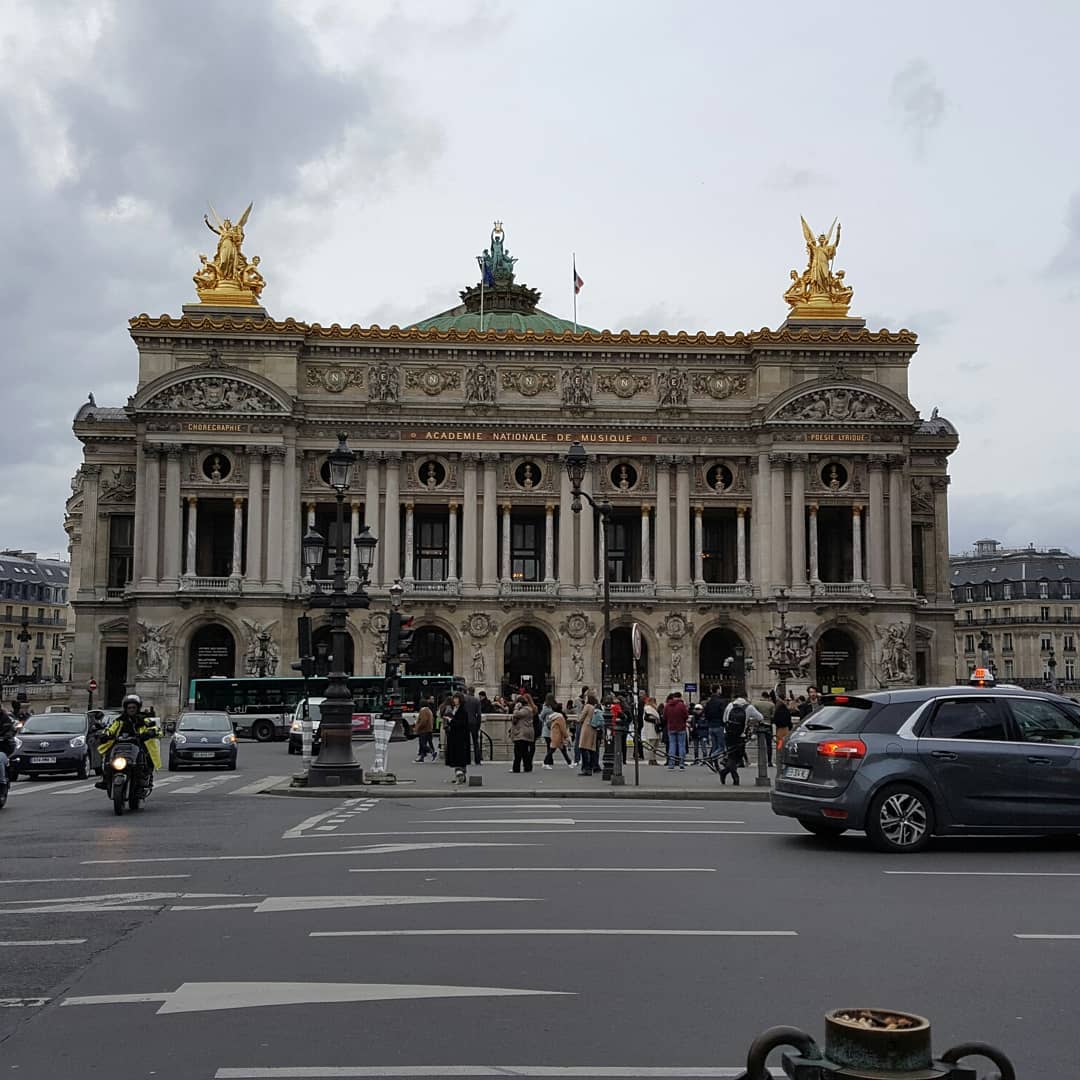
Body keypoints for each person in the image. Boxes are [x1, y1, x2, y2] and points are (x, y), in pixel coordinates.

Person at [94, 694, 161, 789]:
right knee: (108, 757)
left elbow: (156, 729)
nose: (131, 710)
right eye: (129, 708)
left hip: (138, 744)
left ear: (138, 708)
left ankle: (147, 778)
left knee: (147, 756)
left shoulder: (144, 719)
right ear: (126, 709)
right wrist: (105, 735)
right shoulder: (119, 720)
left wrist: (151, 732)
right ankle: (106, 779)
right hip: (120, 745)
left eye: (134, 707)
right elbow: (110, 729)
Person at [718, 694, 762, 786]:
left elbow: (724, 719)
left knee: (731, 756)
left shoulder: (730, 705)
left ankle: (726, 772)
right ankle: (734, 777)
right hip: (740, 735)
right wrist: (749, 721)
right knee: (737, 757)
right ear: (746, 698)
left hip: (728, 734)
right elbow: (760, 717)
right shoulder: (749, 707)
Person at [444, 692, 471, 784]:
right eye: (454, 698)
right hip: (455, 736)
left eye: (456, 698)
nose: (454, 700)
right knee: (457, 757)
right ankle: (460, 775)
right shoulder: (455, 709)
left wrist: (451, 720)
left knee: (459, 757)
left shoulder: (463, 710)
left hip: (460, 737)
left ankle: (460, 776)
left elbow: (462, 723)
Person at [510, 696, 536, 773]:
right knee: (524, 752)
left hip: (522, 734)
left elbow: (516, 714)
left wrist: (516, 708)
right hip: (526, 733)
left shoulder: (525, 710)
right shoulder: (529, 709)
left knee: (518, 752)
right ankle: (527, 767)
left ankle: (516, 768)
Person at [577, 693, 601, 776]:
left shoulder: (587, 706)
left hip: (586, 729)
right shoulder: (594, 707)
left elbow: (581, 718)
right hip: (593, 729)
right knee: (591, 749)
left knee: (583, 748)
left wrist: (579, 718)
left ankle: (586, 768)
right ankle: (592, 767)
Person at [664, 691, 689, 770]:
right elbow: (686, 716)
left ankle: (671, 764)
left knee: (672, 745)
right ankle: (681, 763)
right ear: (680, 697)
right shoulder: (682, 705)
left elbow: (664, 717)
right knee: (681, 745)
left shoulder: (667, 705)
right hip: (681, 727)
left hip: (671, 727)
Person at [703, 685, 728, 764]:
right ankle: (711, 757)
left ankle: (714, 763)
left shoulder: (708, 702)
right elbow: (723, 714)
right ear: (717, 690)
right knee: (722, 747)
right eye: (720, 689)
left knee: (715, 746)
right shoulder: (721, 702)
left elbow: (706, 714)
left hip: (711, 726)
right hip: (719, 725)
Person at [544, 702, 572, 768]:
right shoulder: (560, 718)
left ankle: (569, 763)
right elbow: (563, 728)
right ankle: (545, 762)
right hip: (558, 736)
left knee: (562, 750)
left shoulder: (554, 717)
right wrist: (567, 736)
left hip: (554, 735)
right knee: (553, 750)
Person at [464, 686, 483, 765]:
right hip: (473, 722)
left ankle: (466, 759)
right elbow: (479, 714)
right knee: (476, 742)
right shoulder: (477, 700)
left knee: (465, 742)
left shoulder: (464, 700)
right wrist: (478, 725)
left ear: (468, 691)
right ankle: (477, 760)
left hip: (464, 722)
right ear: (474, 691)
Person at [413, 698, 436, 763]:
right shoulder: (429, 710)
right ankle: (422, 757)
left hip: (423, 730)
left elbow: (423, 721)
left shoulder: (423, 711)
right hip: (428, 729)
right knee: (423, 744)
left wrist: (417, 727)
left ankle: (432, 752)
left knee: (423, 744)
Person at [757, 692, 776, 767]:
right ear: (768, 697)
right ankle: (769, 761)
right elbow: (773, 715)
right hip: (768, 725)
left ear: (762, 696)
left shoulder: (756, 704)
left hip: (760, 725)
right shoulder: (771, 705)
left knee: (760, 744)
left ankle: (761, 760)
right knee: (769, 744)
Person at [641, 696, 661, 765]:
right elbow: (648, 717)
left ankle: (653, 759)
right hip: (651, 728)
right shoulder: (648, 708)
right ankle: (651, 759)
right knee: (652, 745)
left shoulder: (653, 708)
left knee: (655, 745)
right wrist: (656, 720)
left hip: (654, 729)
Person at [0, 703, 16, 791]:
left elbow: (10, 730)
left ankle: (2, 782)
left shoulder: (5, 718)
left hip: (2, 747)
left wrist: (5, 737)